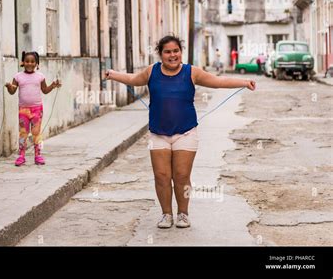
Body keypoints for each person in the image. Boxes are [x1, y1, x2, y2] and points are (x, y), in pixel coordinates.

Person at [105, 35, 256, 229]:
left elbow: (218, 81)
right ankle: (166, 214)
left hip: (186, 133)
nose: (172, 55)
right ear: (161, 54)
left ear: (180, 52)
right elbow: (133, 79)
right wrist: (112, 74)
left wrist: (244, 82)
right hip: (158, 134)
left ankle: (183, 214)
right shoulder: (152, 71)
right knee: (161, 175)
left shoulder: (191, 72)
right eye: (167, 52)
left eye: (175, 51)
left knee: (181, 175)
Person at [5, 51, 61, 166]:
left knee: (36, 133)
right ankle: (21, 156)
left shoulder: (40, 77)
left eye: (32, 62)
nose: (29, 64)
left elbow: (45, 90)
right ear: (22, 62)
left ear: (37, 63)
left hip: (37, 109)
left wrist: (53, 85)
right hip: (23, 110)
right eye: (27, 61)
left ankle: (38, 155)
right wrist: (9, 87)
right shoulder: (17, 77)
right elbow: (12, 92)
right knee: (23, 133)